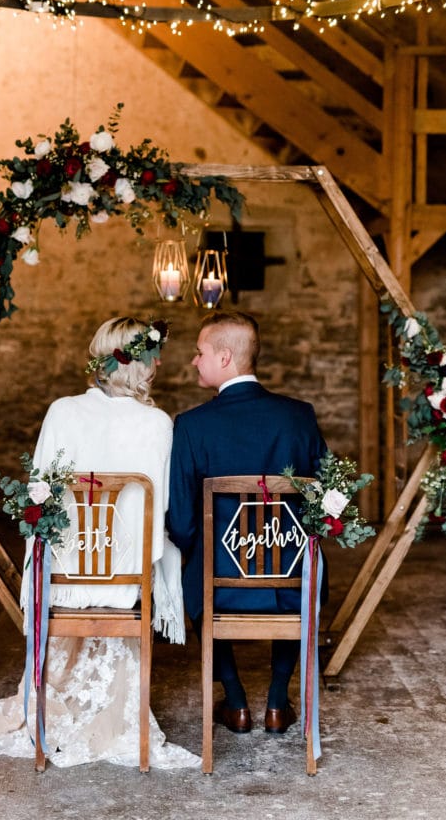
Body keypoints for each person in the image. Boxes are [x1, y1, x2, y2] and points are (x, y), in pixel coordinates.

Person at [0, 317, 199, 769]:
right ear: (132, 364)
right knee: (170, 548)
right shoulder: (158, 424)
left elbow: (38, 494)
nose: (157, 365)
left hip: (66, 574)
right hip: (125, 578)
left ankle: (54, 701)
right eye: (152, 357)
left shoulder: (62, 411)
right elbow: (165, 507)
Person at [166, 310, 327, 737]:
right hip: (288, 584)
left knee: (193, 573)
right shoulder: (299, 416)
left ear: (224, 358)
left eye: (199, 352)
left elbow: (180, 522)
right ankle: (277, 701)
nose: (194, 360)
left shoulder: (192, 426)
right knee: (302, 563)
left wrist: (204, 551)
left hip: (219, 586)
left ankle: (235, 701)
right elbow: (329, 497)